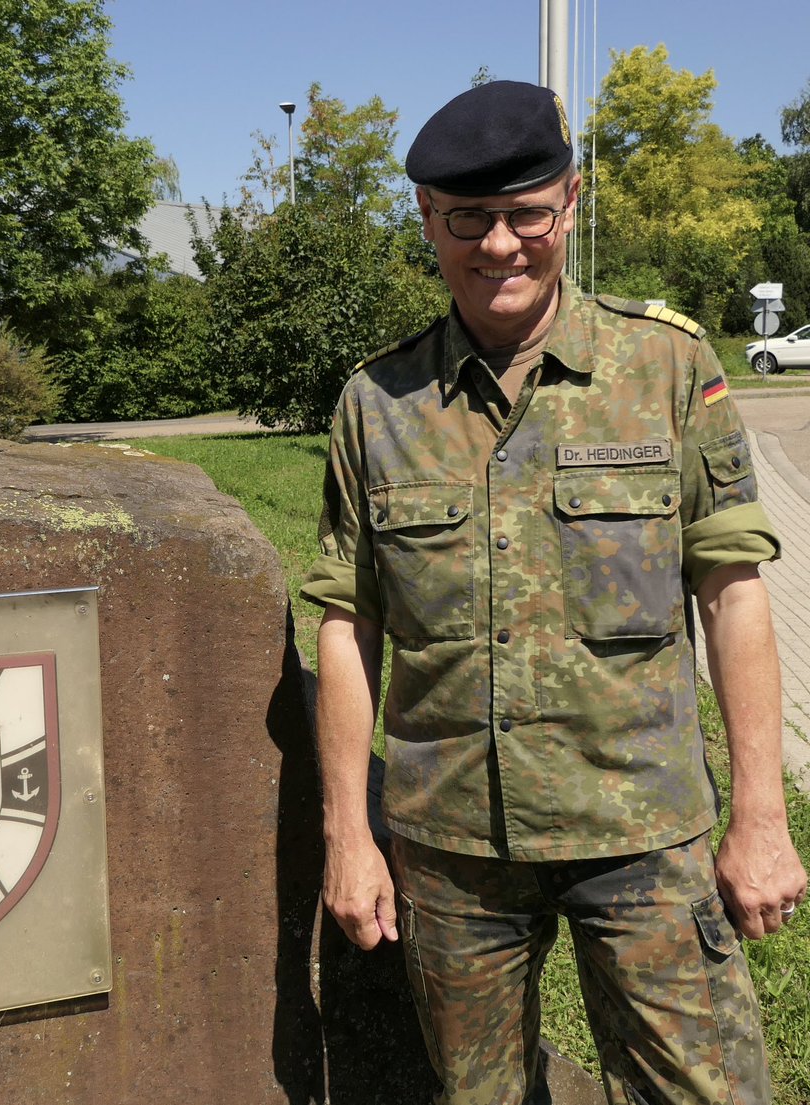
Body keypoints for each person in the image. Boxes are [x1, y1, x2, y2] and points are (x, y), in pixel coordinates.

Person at [301, 79, 807, 1105]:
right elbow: (347, 625)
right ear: (427, 219)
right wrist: (349, 835)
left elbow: (733, 590)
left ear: (570, 202)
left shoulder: (664, 366)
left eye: (526, 213)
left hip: (640, 830)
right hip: (453, 855)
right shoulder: (377, 404)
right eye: (468, 219)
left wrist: (761, 814)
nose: (499, 246)